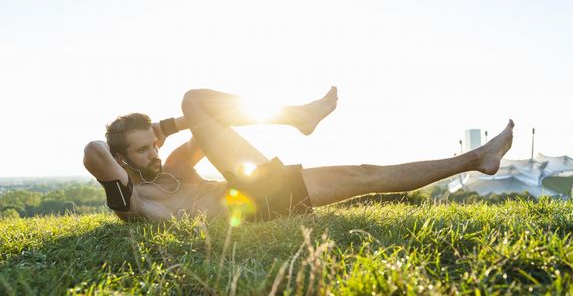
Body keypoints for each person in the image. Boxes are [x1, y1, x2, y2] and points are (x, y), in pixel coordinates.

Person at [83, 86, 514, 222]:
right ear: (122, 161)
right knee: (194, 98)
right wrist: (167, 124)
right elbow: (94, 150)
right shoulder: (133, 201)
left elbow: (214, 124)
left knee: (368, 174)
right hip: (257, 207)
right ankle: (298, 117)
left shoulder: (175, 165)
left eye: (154, 143)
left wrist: (170, 131)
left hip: (264, 193)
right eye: (142, 150)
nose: (156, 153)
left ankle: (477, 159)